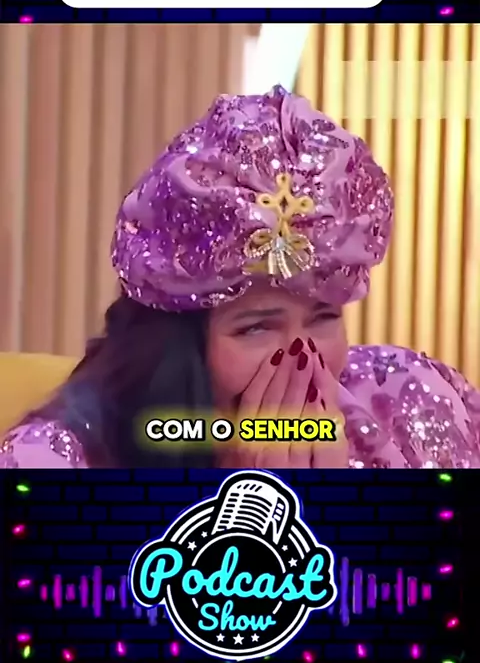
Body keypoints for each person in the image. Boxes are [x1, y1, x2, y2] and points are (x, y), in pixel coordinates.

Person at [1, 86, 479, 469]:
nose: (303, 363)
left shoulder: (409, 400)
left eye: (324, 317)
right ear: (176, 347)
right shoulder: (52, 461)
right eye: (256, 327)